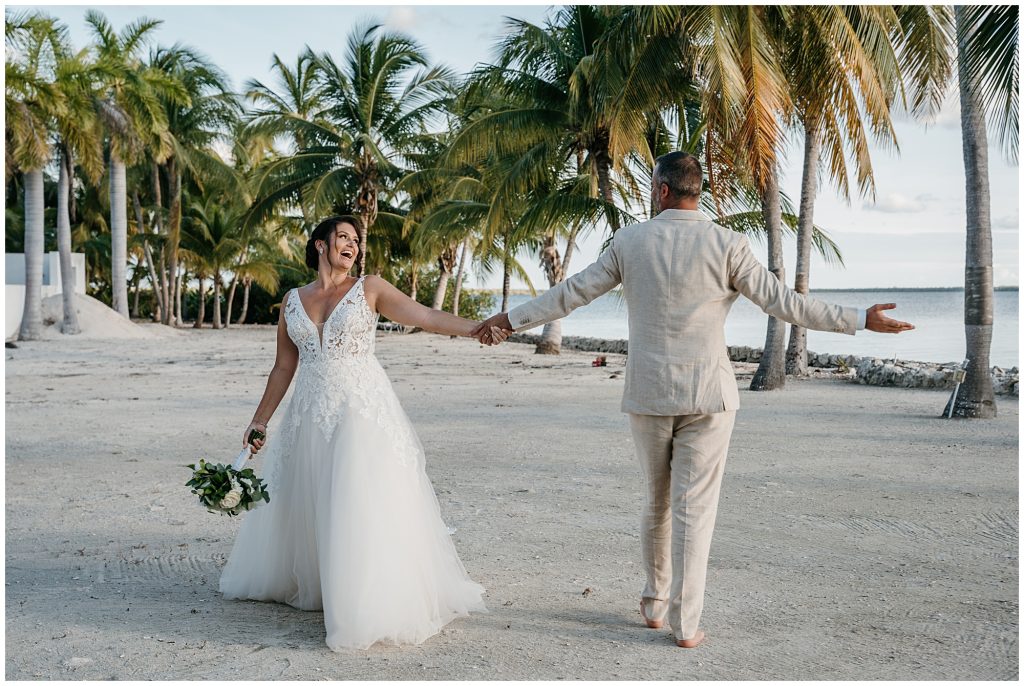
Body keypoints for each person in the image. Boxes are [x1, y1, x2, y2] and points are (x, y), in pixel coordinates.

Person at [473, 151, 914, 648]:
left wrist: (508, 321)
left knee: (656, 503)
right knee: (694, 511)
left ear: (661, 189)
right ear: (695, 190)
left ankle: (654, 604)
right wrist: (859, 318)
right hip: (709, 395)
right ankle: (686, 626)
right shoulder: (728, 244)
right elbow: (786, 304)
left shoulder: (630, 241)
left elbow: (572, 293)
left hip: (647, 394)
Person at [219, 215, 506, 651]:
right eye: (343, 237)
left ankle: (362, 602)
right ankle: (322, 584)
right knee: (313, 499)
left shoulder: (368, 288)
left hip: (360, 410)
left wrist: (474, 328)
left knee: (356, 502)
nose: (352, 245)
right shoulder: (292, 300)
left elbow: (424, 315)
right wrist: (259, 421)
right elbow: (283, 367)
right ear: (320, 244)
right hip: (309, 413)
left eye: (356, 239)